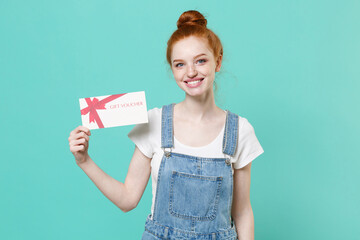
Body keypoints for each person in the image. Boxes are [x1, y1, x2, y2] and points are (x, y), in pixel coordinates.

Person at [68, 10, 264, 240]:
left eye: (200, 60)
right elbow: (127, 200)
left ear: (218, 61)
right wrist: (84, 161)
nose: (191, 72)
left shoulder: (240, 131)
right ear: (172, 70)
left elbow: (242, 212)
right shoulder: (154, 122)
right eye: (180, 64)